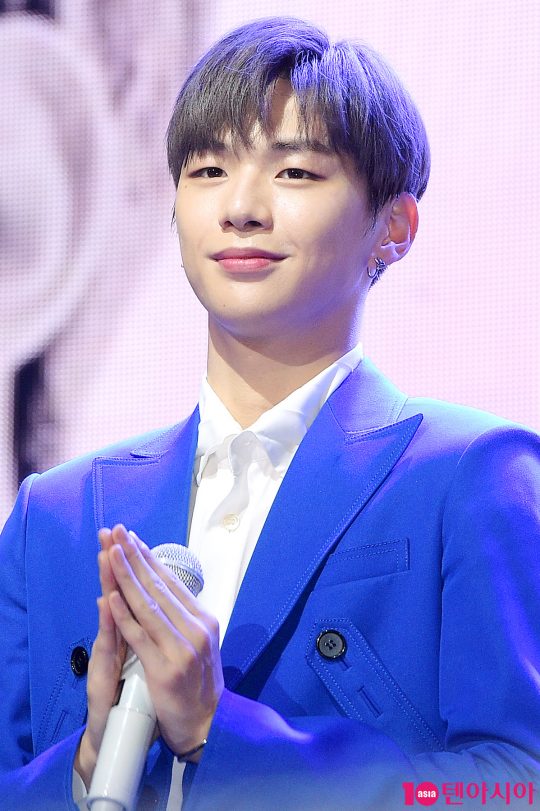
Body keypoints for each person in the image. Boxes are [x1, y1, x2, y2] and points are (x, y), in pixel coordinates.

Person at [0, 16, 539, 811]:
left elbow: (513, 785)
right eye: (208, 169)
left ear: (393, 228)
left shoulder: (471, 475)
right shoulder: (56, 514)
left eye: (295, 172)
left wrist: (219, 731)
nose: (241, 207)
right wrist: (84, 767)